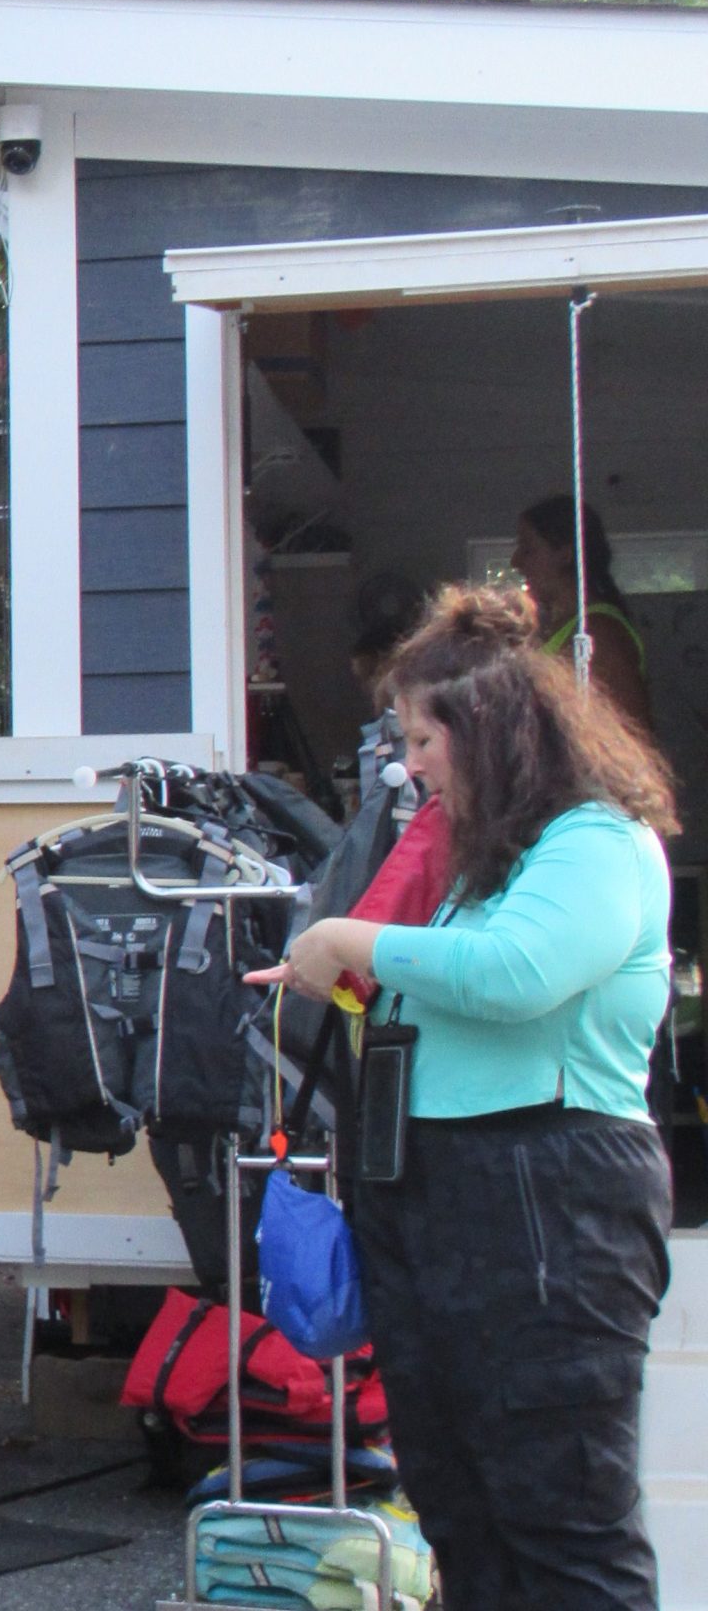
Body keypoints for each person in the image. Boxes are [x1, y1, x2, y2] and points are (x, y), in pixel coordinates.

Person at [248, 585, 677, 1611]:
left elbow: (515, 973)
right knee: (461, 1511)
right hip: (437, 1195)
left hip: (550, 1200)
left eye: (423, 737)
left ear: (487, 735)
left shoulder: (600, 845)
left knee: (564, 1519)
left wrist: (350, 941)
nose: (410, 762)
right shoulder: (479, 861)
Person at [513, 491, 651, 733]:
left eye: (527, 549)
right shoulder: (557, 627)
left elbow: (632, 734)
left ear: (565, 555)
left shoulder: (598, 633)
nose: (515, 562)